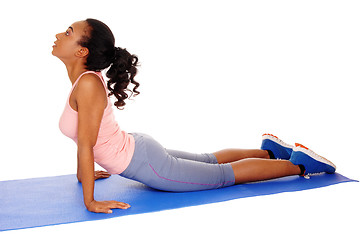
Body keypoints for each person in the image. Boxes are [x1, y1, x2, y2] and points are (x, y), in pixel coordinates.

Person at [52, 19, 336, 214]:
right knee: (209, 160)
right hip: (139, 150)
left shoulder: (87, 84)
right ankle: (271, 152)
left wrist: (90, 200)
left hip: (147, 163)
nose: (58, 35)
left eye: (67, 32)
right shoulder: (85, 80)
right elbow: (86, 136)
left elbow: (87, 144)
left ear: (81, 51)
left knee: (223, 175)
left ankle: (301, 165)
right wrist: (83, 174)